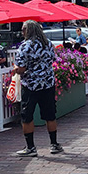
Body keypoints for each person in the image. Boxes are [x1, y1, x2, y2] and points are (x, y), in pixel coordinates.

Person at [13, 20, 62, 157]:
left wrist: (16, 69)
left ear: (27, 31)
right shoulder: (48, 44)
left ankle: (30, 147)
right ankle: (54, 144)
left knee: (27, 115)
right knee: (50, 114)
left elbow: (21, 68)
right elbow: (52, 60)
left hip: (31, 85)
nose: (22, 32)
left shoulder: (25, 46)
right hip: (47, 83)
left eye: (23, 30)